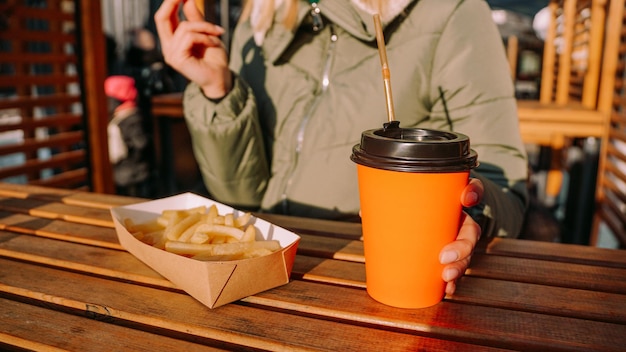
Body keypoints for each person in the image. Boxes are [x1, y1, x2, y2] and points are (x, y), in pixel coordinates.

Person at [154, 0, 529, 295]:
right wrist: (219, 90)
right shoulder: (263, 15)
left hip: (360, 276)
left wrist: (470, 215)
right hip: (257, 272)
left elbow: (503, 188)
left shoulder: (452, 12)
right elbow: (242, 194)